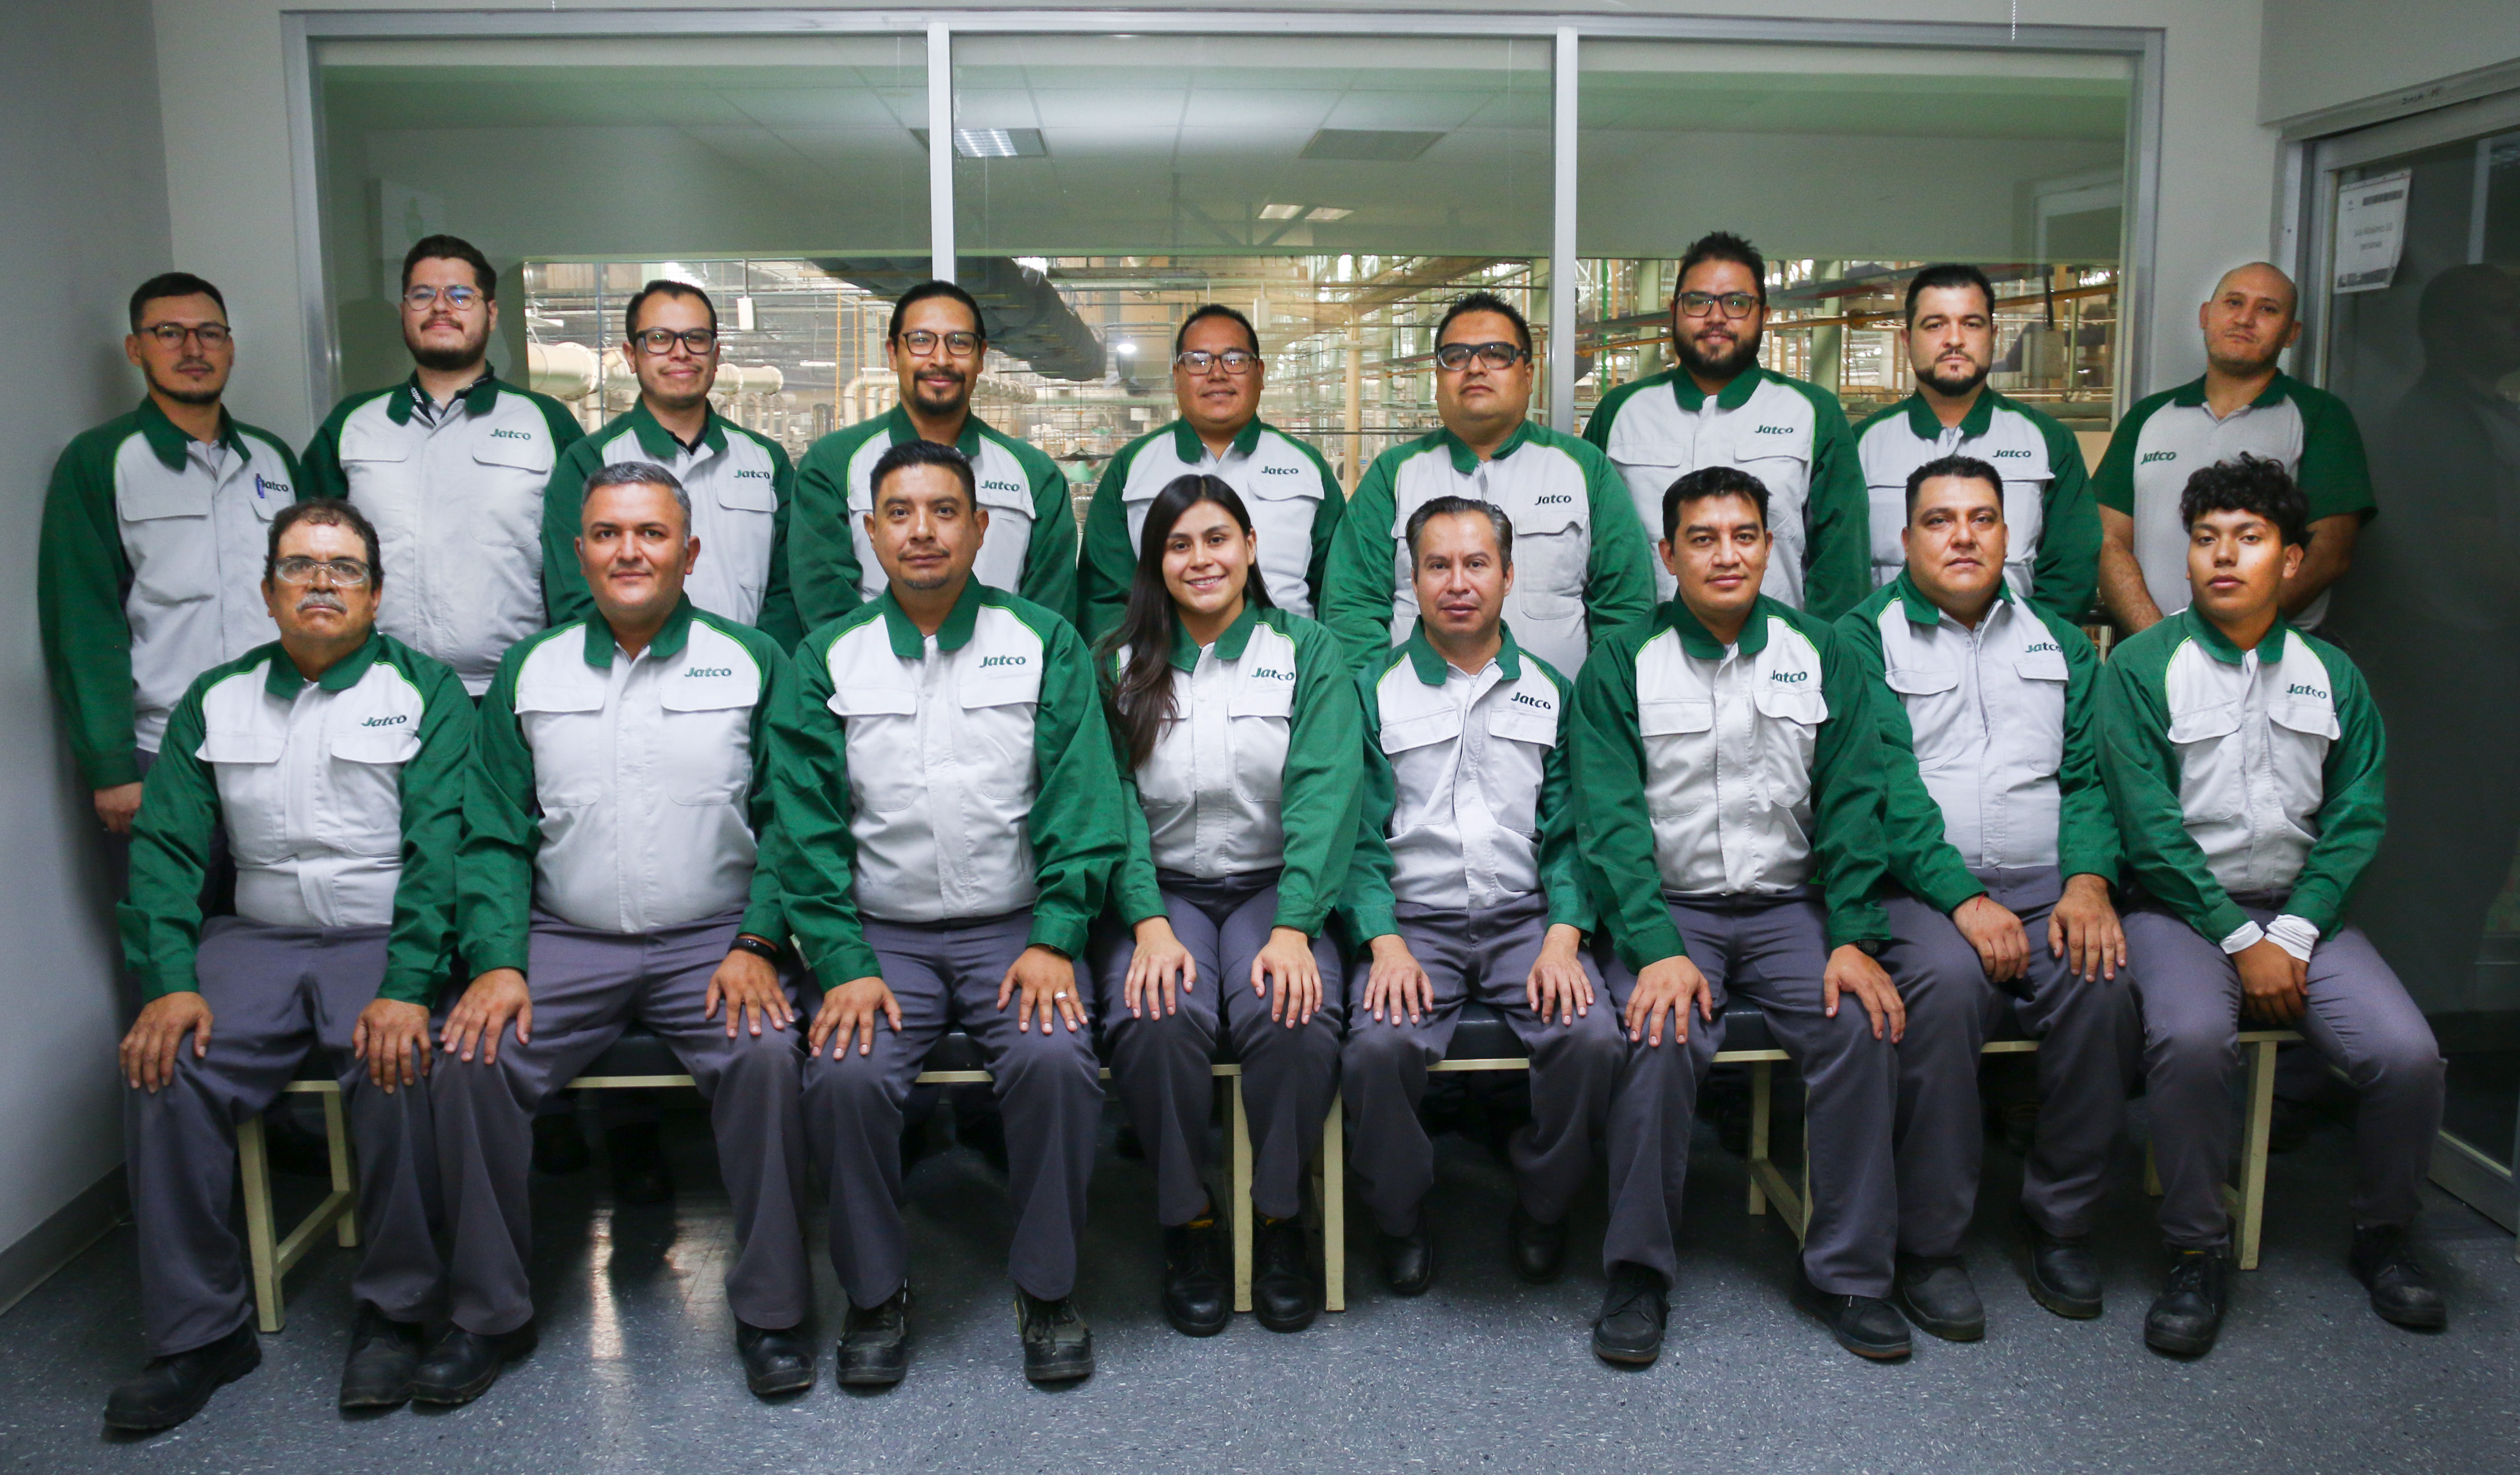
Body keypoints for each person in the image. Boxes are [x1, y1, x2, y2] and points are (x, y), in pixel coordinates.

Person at [428, 462, 812, 1403]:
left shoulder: (751, 660)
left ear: (689, 551)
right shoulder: (532, 670)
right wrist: (497, 961)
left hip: (715, 937)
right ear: (580, 552)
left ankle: (772, 1311)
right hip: (567, 936)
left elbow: (795, 821)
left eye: (650, 533)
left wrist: (758, 942)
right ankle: (488, 1312)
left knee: (765, 1055)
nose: (628, 551)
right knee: (471, 1057)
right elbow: (492, 831)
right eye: (607, 534)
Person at [103, 499, 469, 1430]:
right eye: (299, 567)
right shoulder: (216, 699)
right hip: (258, 936)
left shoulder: (426, 692)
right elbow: (166, 852)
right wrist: (169, 983)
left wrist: (409, 985)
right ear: (268, 593)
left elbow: (443, 852)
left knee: (395, 1060)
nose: (321, 583)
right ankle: (199, 1331)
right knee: (165, 1063)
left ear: (376, 594)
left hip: (383, 930)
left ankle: (396, 1311)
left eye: (344, 569)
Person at [775, 439, 1126, 1387]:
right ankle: (874, 1291)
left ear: (979, 527)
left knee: (1055, 1064)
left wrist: (1056, 936)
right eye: (899, 513)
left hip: (1017, 929)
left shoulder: (1042, 642)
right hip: (880, 935)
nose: (921, 531)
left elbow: (1083, 802)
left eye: (942, 512)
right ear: (869, 531)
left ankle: (1047, 1287)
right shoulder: (828, 656)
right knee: (844, 1074)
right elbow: (804, 828)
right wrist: (841, 960)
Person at [2099, 454, 2446, 1357]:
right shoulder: (2140, 666)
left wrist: (2289, 932)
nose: (2223, 556)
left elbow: (2355, 817)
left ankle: (2382, 1235)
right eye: (2205, 539)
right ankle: (2193, 1249)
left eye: (2248, 539)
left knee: (2406, 1056)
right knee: (2189, 1040)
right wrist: (2233, 934)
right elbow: (2147, 828)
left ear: (2290, 559)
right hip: (2177, 910)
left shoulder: (2332, 674)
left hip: (2301, 909)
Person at [1573, 465, 1908, 1364]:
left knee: (1860, 1023)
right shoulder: (1622, 661)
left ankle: (1848, 1272)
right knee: (1658, 1032)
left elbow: (1855, 801)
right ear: (1667, 554)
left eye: (1744, 536)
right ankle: (1637, 1272)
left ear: (1768, 545)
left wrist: (1852, 937)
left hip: (1787, 906)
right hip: (1669, 909)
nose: (1726, 555)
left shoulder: (1821, 649)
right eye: (1703, 538)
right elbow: (1607, 821)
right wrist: (1652, 945)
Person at [1836, 454, 2134, 1341]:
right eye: (1939, 521)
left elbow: (2089, 780)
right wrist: (1962, 899)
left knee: (2102, 981)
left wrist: (2088, 882)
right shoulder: (1860, 639)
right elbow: (1880, 787)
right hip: (1919, 890)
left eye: (1981, 519)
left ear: (2010, 535)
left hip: (2048, 886)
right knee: (1943, 989)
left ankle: (2062, 1221)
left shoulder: (2060, 642)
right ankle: (1930, 1244)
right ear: (1905, 540)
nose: (1962, 537)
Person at [1337, 495, 1626, 1316]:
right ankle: (1399, 1215)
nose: (1457, 583)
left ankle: (1544, 1203)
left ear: (1507, 575)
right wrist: (1383, 941)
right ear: (1412, 579)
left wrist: (1564, 937)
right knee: (1377, 1048)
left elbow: (1572, 831)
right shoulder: (1372, 692)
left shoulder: (1553, 691)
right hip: (1413, 921)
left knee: (1590, 1037)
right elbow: (1354, 837)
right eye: (1437, 565)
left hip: (1523, 919)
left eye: (1475, 564)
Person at [1094, 474, 1360, 1336]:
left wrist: (1295, 926)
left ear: (1249, 546)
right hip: (1162, 889)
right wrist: (1145, 921)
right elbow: (1111, 806)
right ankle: (1188, 1220)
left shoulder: (1305, 650)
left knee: (1293, 1011)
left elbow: (1326, 790)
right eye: (1179, 545)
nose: (1200, 559)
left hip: (1273, 886)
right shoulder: (1120, 661)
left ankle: (1280, 1215)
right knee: (1155, 1012)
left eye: (1217, 539)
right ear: (1155, 562)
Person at [40, 272, 299, 843]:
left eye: (209, 333)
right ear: (136, 349)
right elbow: (84, 622)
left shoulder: (274, 458)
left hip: (281, 736)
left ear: (230, 348)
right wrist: (111, 767)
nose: (192, 348)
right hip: (163, 750)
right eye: (169, 333)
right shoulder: (100, 459)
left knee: (280, 897)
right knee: (174, 901)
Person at [299, 236, 587, 696]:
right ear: (403, 312)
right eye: (422, 295)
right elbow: (304, 560)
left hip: (512, 693)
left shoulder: (546, 424)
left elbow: (581, 566)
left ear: (491, 313)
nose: (440, 307)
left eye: (460, 295)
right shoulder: (352, 425)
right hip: (374, 687)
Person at [1322, 292, 1655, 676]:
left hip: (1559, 713)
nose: (1475, 368)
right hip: (1412, 713)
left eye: (1496, 354)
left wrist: (1600, 701)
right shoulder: (1394, 474)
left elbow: (1625, 607)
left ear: (1528, 376)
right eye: (1456, 357)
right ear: (1437, 378)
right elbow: (1352, 606)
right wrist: (1374, 697)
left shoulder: (1584, 469)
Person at [1584, 231, 1869, 617]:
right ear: (1673, 311)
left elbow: (1840, 567)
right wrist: (1616, 645)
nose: (1716, 317)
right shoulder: (1620, 412)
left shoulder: (1812, 413)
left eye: (1736, 303)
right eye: (1697, 302)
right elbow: (1592, 553)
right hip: (1646, 646)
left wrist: (1820, 648)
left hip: (1776, 647)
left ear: (1763, 316)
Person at [2095, 262, 2373, 633]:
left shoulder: (2320, 415)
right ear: (2205, 316)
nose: (2245, 319)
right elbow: (2108, 541)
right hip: (2152, 651)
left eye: (2267, 309)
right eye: (2234, 302)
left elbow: (2330, 552)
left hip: (2270, 655)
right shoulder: (2146, 417)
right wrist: (2159, 645)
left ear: (2291, 334)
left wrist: (2230, 638)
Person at [790, 279, 1077, 629]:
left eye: (959, 342)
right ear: (893, 354)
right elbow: (824, 604)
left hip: (1005, 664)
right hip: (869, 664)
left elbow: (1051, 614)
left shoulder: (1034, 474)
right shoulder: (833, 464)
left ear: (980, 357)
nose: (941, 360)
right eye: (921, 341)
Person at [542, 278, 800, 647]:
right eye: (660, 338)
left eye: (696, 338)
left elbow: (789, 590)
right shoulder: (589, 462)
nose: (681, 352)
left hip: (748, 673)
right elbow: (575, 595)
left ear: (715, 354)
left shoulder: (766, 460)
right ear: (632, 356)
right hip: (629, 674)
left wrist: (758, 663)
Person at [1078, 305, 1344, 642]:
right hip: (1163, 669)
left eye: (1235, 359)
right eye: (1198, 361)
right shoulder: (1133, 467)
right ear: (1177, 376)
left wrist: (1320, 667)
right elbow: (1103, 599)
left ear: (1260, 373)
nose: (1217, 373)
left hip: (1290, 667)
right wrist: (1129, 670)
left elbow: (1341, 593)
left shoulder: (1306, 467)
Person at [1852, 263, 2099, 620]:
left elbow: (2072, 571)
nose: (1954, 339)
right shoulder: (1861, 445)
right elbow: (1837, 570)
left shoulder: (2048, 441)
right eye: (1935, 325)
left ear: (1993, 335)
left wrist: (2028, 643)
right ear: (1906, 340)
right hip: (1886, 651)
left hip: (2017, 652)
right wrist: (1870, 644)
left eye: (1971, 324)